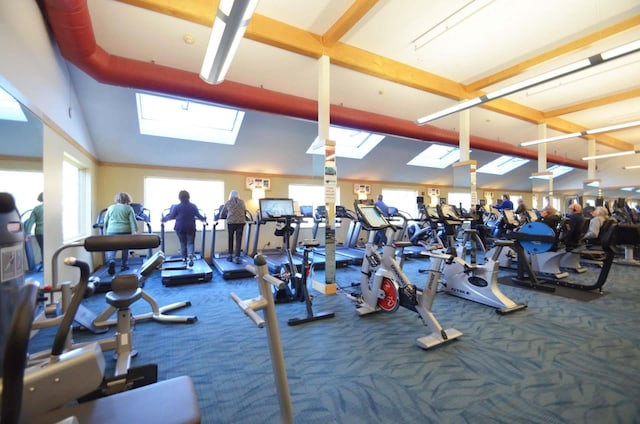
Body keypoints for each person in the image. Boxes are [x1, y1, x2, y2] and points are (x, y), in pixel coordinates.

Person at [162, 190, 206, 267]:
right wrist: (204, 218)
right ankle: (190, 256)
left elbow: (171, 216)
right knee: (190, 243)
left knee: (182, 243)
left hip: (180, 227)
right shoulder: (193, 206)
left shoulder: (176, 206)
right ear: (189, 197)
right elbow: (199, 215)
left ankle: (184, 259)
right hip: (190, 227)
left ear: (179, 197)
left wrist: (164, 219)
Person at [103, 192, 138, 275]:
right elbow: (133, 221)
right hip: (125, 230)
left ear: (117, 199)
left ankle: (111, 261)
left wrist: (106, 229)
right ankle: (124, 265)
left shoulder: (110, 208)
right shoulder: (128, 208)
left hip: (111, 230)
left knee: (111, 248)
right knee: (125, 248)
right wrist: (135, 231)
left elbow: (106, 220)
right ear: (127, 200)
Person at [220, 190, 246, 264]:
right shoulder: (242, 202)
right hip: (241, 222)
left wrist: (222, 216)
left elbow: (223, 212)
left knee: (230, 238)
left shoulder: (228, 202)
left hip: (231, 222)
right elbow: (244, 211)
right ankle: (237, 256)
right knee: (239, 239)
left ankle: (230, 255)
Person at [25, 192, 44, 268]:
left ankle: (44, 264)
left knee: (43, 248)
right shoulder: (52, 208)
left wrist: (27, 234)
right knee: (49, 249)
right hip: (48, 232)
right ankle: (47, 266)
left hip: (38, 231)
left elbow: (30, 222)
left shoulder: (36, 209)